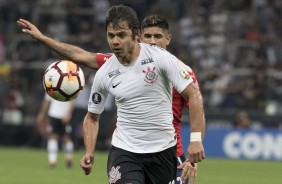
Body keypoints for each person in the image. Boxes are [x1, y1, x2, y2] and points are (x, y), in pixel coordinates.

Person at [17, 7, 205, 183]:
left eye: (121, 35)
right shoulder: (105, 71)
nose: (115, 41)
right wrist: (89, 150)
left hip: (164, 150)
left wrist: (196, 140)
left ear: (136, 35)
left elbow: (194, 95)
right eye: (111, 35)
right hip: (124, 151)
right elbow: (91, 117)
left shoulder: (162, 59)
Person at [36, 93, 75, 168]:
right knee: (54, 137)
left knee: (65, 138)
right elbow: (47, 101)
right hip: (54, 114)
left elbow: (72, 101)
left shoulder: (66, 85)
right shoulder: (51, 86)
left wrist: (68, 113)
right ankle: (52, 161)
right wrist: (42, 114)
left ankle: (68, 158)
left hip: (61, 115)